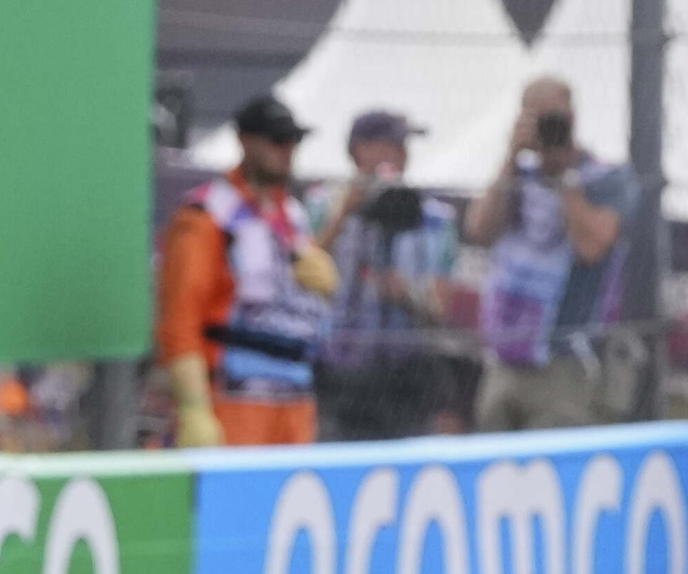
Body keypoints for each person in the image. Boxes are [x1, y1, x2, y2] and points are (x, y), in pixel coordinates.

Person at [152, 94, 330, 447]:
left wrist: (327, 285)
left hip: (295, 401)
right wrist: (193, 407)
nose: (288, 150)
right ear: (246, 141)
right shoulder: (207, 217)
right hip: (234, 400)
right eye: (278, 141)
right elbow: (180, 319)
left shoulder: (293, 216)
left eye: (294, 141)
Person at [468, 79, 632, 431]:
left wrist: (563, 177)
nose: (547, 128)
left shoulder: (604, 178)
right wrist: (511, 157)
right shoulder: (517, 176)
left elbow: (592, 247)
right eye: (536, 118)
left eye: (554, 119)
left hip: (563, 362)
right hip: (505, 355)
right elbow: (479, 231)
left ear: (572, 118)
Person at [317, 110, 470, 440]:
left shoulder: (435, 220)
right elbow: (301, 273)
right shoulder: (323, 205)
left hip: (405, 379)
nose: (402, 154)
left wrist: (406, 295)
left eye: (405, 145)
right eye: (392, 144)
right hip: (340, 376)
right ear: (361, 150)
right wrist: (344, 215)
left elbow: (440, 310)